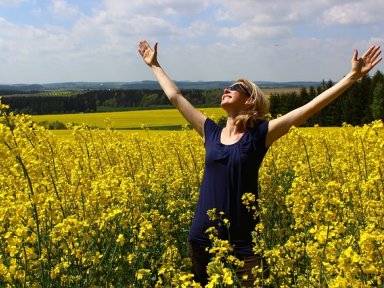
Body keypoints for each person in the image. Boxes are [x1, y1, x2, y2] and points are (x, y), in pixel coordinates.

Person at [138, 40, 382, 286]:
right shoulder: (209, 132)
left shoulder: (259, 135)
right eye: (227, 86)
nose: (227, 88)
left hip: (244, 245)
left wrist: (352, 77)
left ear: (250, 101)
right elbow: (175, 96)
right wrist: (155, 65)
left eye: (236, 87)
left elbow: (307, 109)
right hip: (202, 240)